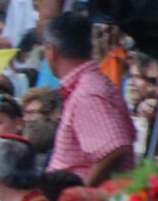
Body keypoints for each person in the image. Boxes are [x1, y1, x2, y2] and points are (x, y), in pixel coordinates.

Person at [44, 11, 134, 185]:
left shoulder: (88, 93)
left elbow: (114, 149)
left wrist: (81, 193)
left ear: (51, 52)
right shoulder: (87, 85)